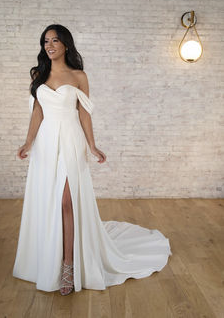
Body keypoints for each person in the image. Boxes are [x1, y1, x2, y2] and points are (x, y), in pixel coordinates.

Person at [12, 24, 172, 296]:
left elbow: (84, 114)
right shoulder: (39, 75)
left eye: (55, 40)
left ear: (66, 44)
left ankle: (69, 266)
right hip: (46, 144)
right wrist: (28, 142)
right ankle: (48, 258)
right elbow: (37, 112)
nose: (49, 45)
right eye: (46, 41)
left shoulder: (78, 76)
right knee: (49, 201)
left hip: (71, 141)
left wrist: (93, 145)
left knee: (67, 201)